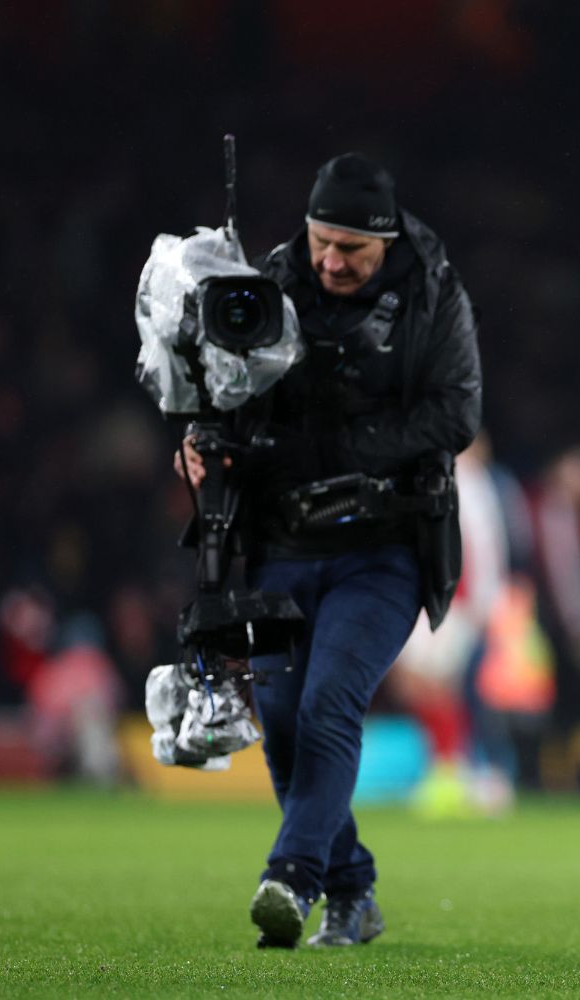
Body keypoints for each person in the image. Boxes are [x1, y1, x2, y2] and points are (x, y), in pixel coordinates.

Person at [175, 152, 481, 949]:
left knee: (329, 702)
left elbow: (458, 413)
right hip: (280, 544)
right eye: (322, 242)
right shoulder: (265, 284)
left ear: (386, 243)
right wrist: (201, 444)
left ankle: (292, 877)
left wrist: (346, 448)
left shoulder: (433, 289)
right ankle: (353, 892)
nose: (332, 262)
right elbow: (224, 400)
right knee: (280, 724)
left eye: (353, 249)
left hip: (384, 546)